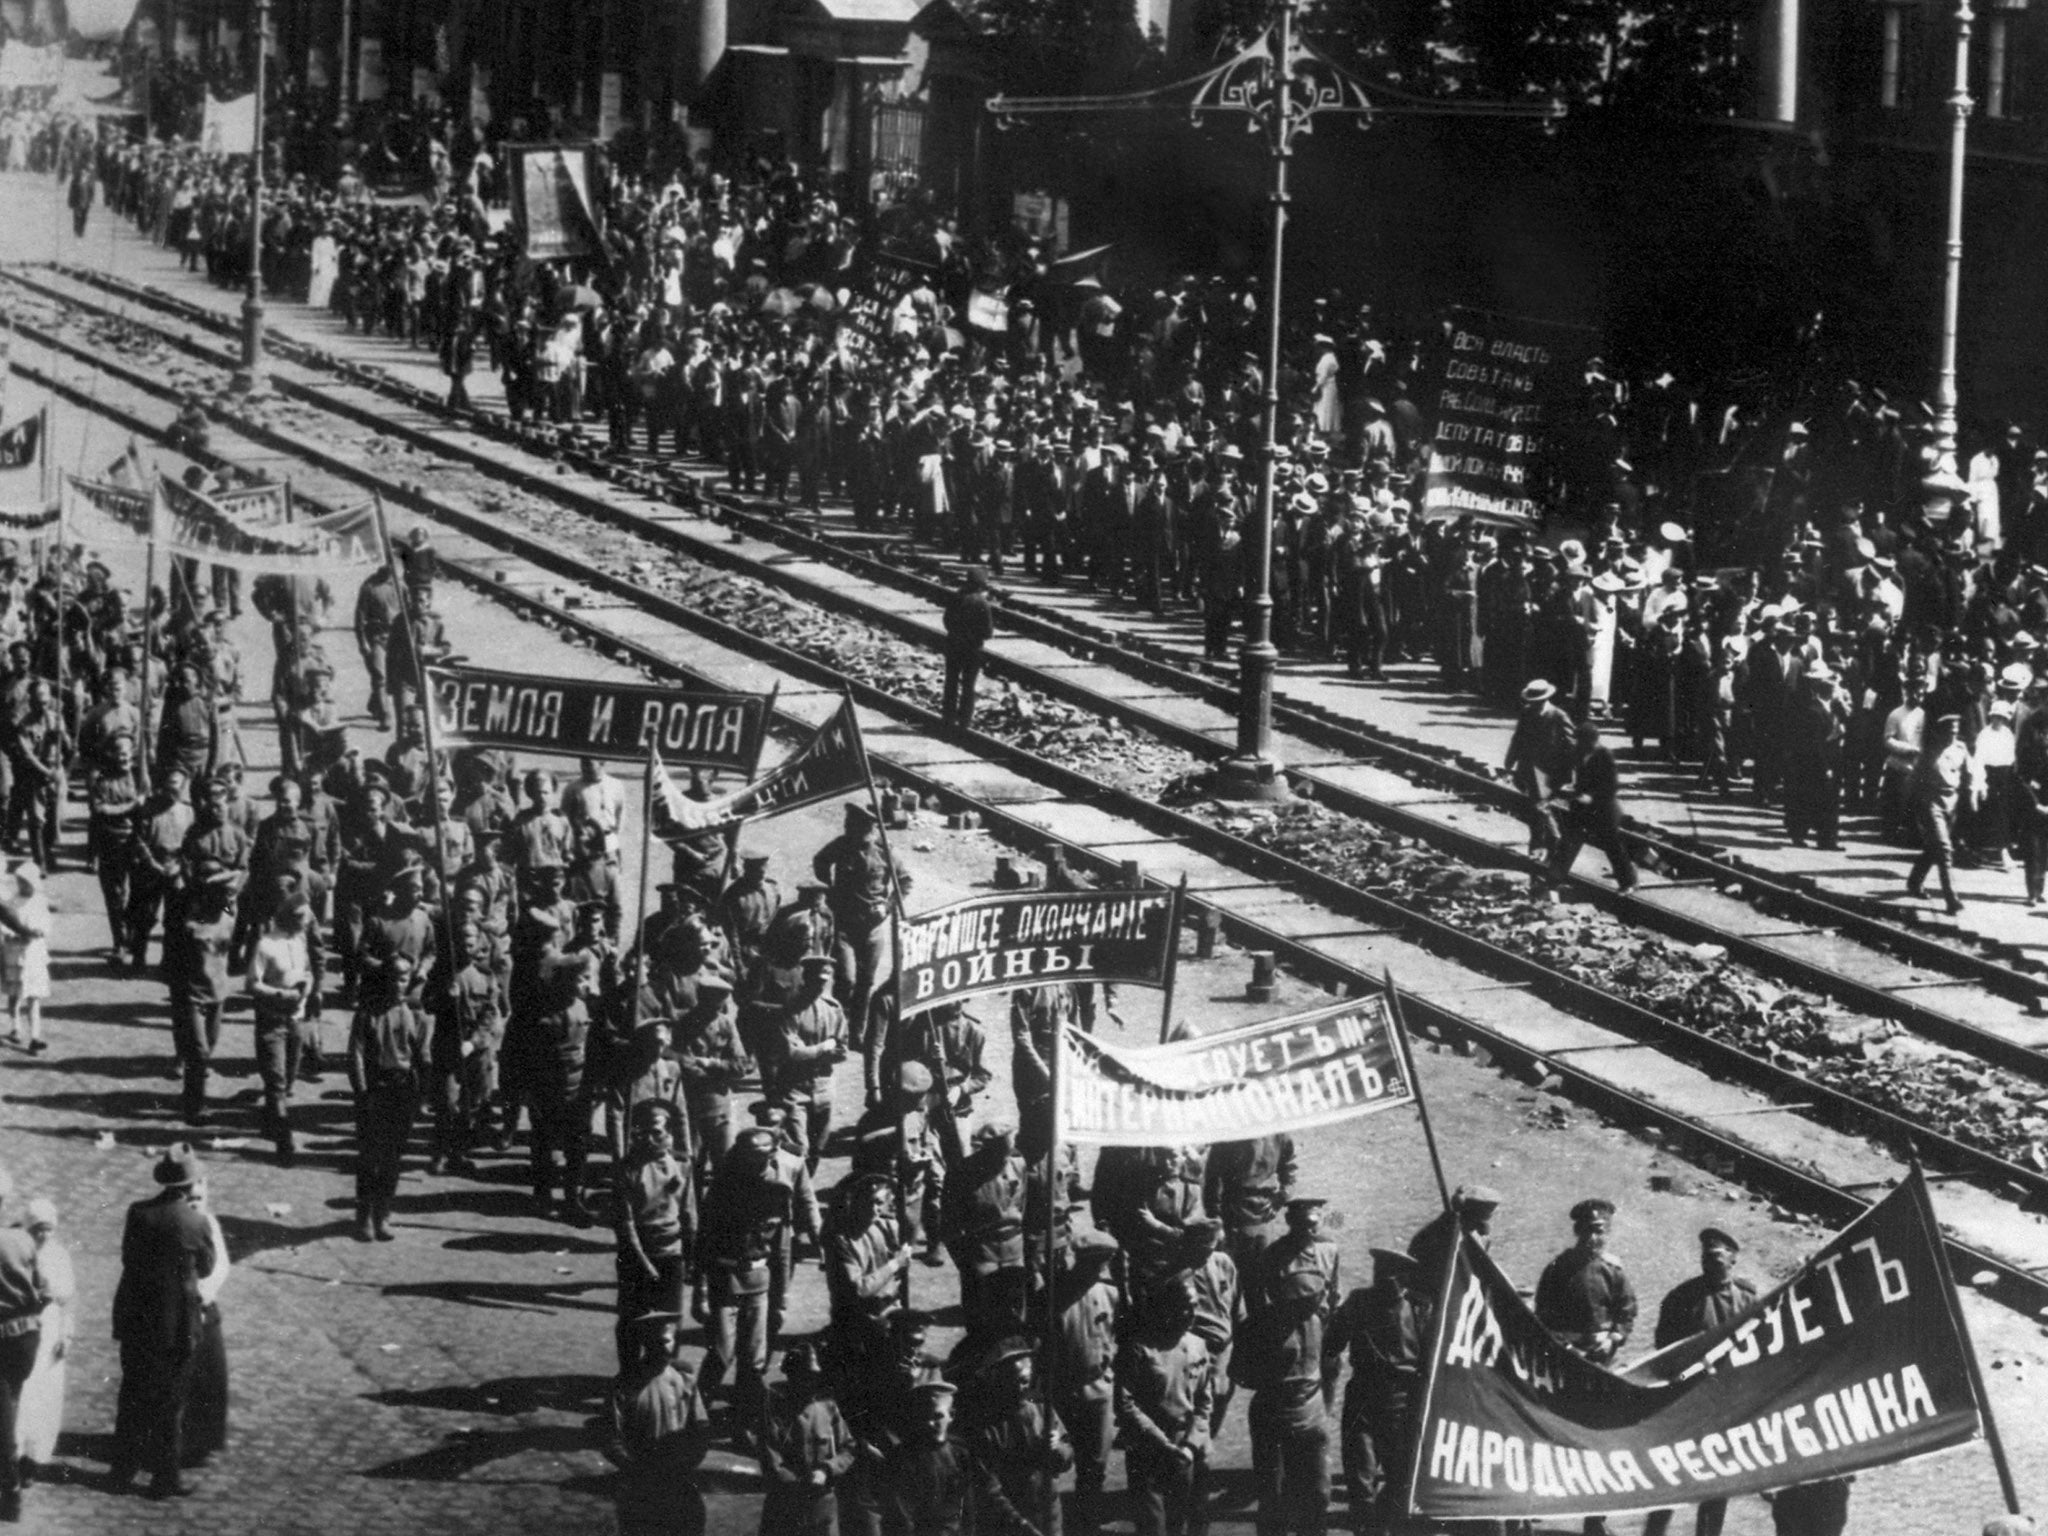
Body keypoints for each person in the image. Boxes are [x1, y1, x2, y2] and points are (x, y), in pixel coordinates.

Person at [110, 1142, 216, 1499]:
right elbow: (207, 1267)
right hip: (177, 1326)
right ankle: (164, 1478)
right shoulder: (196, 1222)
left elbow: (128, 1257)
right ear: (190, 1186)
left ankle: (122, 1470)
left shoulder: (138, 1212)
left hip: (138, 1317)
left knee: (132, 1395)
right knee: (171, 1403)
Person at [1534, 1198, 1638, 1536]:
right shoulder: (1558, 1268)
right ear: (1578, 1231)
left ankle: (1596, 1520)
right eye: (1591, 1231)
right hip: (1566, 1363)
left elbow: (1626, 1312)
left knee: (1601, 1440)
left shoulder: (1614, 1270)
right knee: (1556, 1434)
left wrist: (1614, 1339)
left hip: (1603, 1362)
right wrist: (1563, 1346)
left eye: (1602, 1231)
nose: (1597, 1237)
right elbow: (1543, 1314)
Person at [1642, 1229, 1756, 1536]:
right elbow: (1664, 1350)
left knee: (1718, 1478)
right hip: (1688, 1399)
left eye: (1718, 1257)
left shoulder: (1748, 1298)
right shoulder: (1682, 1299)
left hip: (1727, 1403)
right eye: (1706, 1257)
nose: (1712, 1263)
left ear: (1733, 1258)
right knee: (1672, 1474)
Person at [1116, 1275, 1215, 1536]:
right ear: (1165, 1307)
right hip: (1148, 1450)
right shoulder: (1140, 1348)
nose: (1191, 1313)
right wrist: (1162, 1444)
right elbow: (1125, 1403)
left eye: (1194, 1305)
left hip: (1185, 1451)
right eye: (1183, 1306)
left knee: (1180, 1524)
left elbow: (1205, 1401)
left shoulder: (1197, 1345)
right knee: (1153, 1527)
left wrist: (1191, 1445)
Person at [347, 952, 432, 1242]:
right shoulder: (368, 1012)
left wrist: (422, 1094)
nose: (398, 984)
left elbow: (421, 1056)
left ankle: (383, 1214)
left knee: (393, 1158)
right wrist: (361, 1093)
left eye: (404, 978)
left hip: (401, 1089)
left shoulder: (412, 1014)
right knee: (370, 1157)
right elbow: (355, 1055)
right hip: (375, 1089)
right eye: (393, 978)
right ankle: (363, 1216)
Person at [605, 1309, 712, 1536]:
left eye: (667, 1340)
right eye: (657, 1341)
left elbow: (701, 1428)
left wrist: (689, 1461)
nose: (663, 1347)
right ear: (645, 1342)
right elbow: (612, 1437)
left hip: (678, 1475)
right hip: (640, 1480)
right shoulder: (624, 1385)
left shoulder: (684, 1380)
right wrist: (635, 1468)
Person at [758, 1342, 857, 1534]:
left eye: (814, 1377)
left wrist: (827, 1470)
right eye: (804, 1376)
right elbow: (771, 1458)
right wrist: (798, 1484)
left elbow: (848, 1447)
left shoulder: (828, 1406)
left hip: (823, 1504)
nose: (810, 1382)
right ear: (790, 1375)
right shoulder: (774, 1407)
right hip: (786, 1505)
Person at [0, 1168, 47, 1524]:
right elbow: (42, 1289)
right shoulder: (21, 1240)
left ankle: (9, 1492)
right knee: (9, 1404)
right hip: (25, 1337)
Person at [13, 1198, 69, 1487]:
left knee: (44, 1396)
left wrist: (65, 1334)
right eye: (38, 1229)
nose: (44, 1235)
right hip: (23, 1331)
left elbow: (69, 1298)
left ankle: (34, 1457)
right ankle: (16, 1456)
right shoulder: (18, 1251)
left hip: (49, 1332)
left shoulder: (59, 1255)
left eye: (48, 1229)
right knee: (22, 1396)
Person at [1546, 719, 1638, 895]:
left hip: (1604, 808)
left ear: (1593, 741)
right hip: (1582, 807)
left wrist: (1591, 796)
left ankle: (1628, 882)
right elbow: (1574, 776)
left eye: (1583, 741)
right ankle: (1554, 879)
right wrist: (1568, 788)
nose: (1578, 745)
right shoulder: (1579, 752)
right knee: (1569, 840)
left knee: (1612, 846)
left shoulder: (1605, 755)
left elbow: (1611, 786)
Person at [1504, 678, 1576, 858]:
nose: (1533, 705)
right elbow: (1518, 738)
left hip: (1550, 772)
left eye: (1537, 703)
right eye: (1531, 702)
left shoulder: (1558, 716)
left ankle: (1549, 845)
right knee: (1535, 810)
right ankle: (1542, 847)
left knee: (1541, 809)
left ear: (1545, 700)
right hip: (1528, 769)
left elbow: (1572, 745)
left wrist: (1571, 772)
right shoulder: (1527, 713)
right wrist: (1509, 762)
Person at [1908, 713, 1971, 915]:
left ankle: (1914, 881)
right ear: (1940, 732)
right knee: (1944, 849)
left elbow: (1970, 773)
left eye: (1955, 732)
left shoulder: (1961, 749)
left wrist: (1973, 793)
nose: (1952, 736)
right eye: (1948, 732)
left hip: (1951, 803)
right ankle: (1952, 899)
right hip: (1931, 802)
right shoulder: (1929, 753)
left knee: (1933, 848)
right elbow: (1913, 781)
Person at [0, 866, 51, 1054]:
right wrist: (11, 934)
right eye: (20, 881)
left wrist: (39, 932)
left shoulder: (39, 901)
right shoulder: (12, 901)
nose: (22, 885)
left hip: (33, 955)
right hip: (15, 953)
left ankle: (35, 1037)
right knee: (14, 995)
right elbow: (4, 923)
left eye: (26, 882)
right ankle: (15, 1027)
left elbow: (46, 924)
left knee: (33, 997)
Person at [942, 568, 996, 730]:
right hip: (973, 649)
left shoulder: (956, 598)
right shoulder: (982, 603)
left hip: (953, 645)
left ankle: (947, 718)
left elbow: (946, 621)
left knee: (950, 681)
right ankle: (964, 722)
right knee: (968, 685)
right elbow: (988, 632)